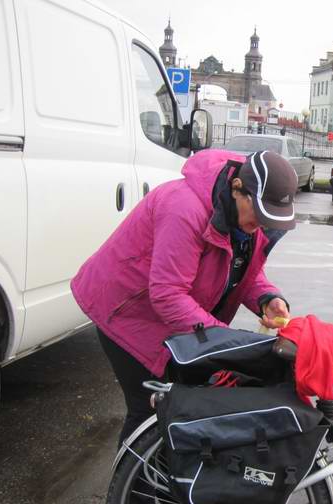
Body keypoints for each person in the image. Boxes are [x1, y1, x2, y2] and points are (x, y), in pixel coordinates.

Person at [71, 149, 298, 445]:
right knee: (150, 414)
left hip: (164, 316)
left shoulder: (243, 217)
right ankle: (129, 490)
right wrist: (224, 340)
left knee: (176, 411)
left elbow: (245, 270)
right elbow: (167, 294)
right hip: (126, 312)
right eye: (258, 213)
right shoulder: (185, 208)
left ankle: (162, 485)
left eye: (269, 218)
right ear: (237, 189)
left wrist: (267, 299)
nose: (261, 224)